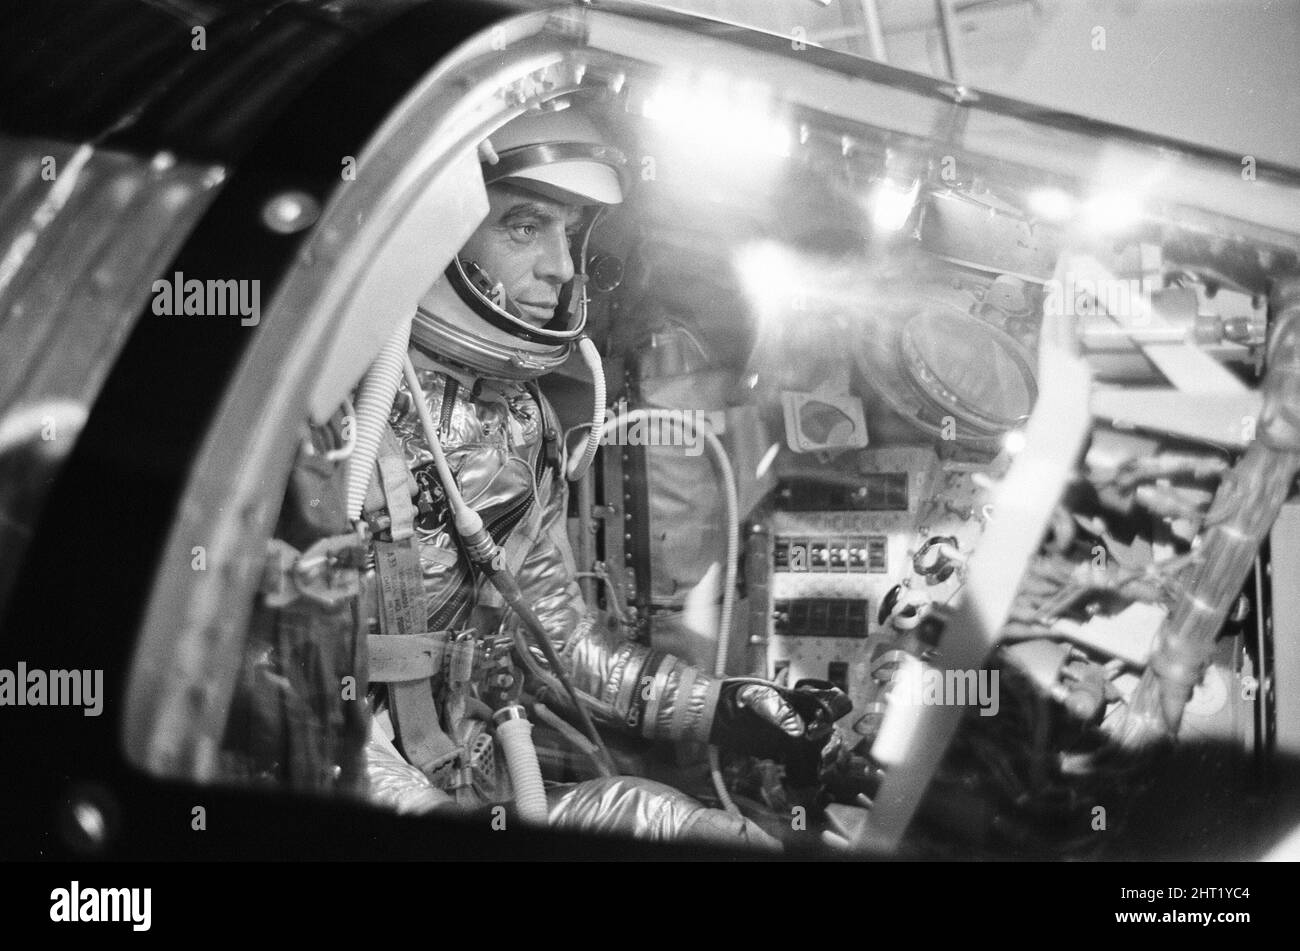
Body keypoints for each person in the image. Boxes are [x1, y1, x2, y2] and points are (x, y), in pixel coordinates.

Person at [359, 104, 835, 847]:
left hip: (463, 770)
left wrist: (725, 707)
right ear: (436, 228)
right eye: (525, 226)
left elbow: (559, 646)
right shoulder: (342, 421)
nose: (560, 265)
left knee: (698, 829)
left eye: (572, 234)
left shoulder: (526, 421)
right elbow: (287, 714)